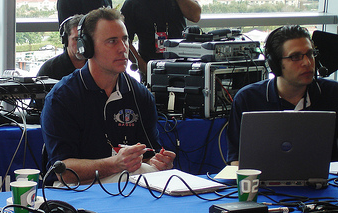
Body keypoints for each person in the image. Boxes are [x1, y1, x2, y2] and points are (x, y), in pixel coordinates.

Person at [41, 7, 176, 185]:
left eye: (125, 39)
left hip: (128, 186)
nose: (123, 49)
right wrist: (115, 164)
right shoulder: (62, 97)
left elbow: (149, 155)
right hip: (75, 191)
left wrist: (158, 162)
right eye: (112, 41)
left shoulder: (140, 95)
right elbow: (64, 171)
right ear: (87, 48)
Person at [226, 25, 338, 165]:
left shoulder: (333, 94)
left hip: (325, 184)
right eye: (296, 57)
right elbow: (236, 160)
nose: (307, 62)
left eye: (310, 54)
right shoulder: (247, 99)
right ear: (275, 65)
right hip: (264, 185)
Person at [120, 0, 201, 81]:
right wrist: (144, 67)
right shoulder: (132, 3)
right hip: (151, 69)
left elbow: (195, 16)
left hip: (182, 66)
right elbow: (124, 41)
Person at [37, 14, 86, 80]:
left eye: (85, 39)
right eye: (76, 39)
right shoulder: (50, 68)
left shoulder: (99, 65)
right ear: (65, 40)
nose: (81, 44)